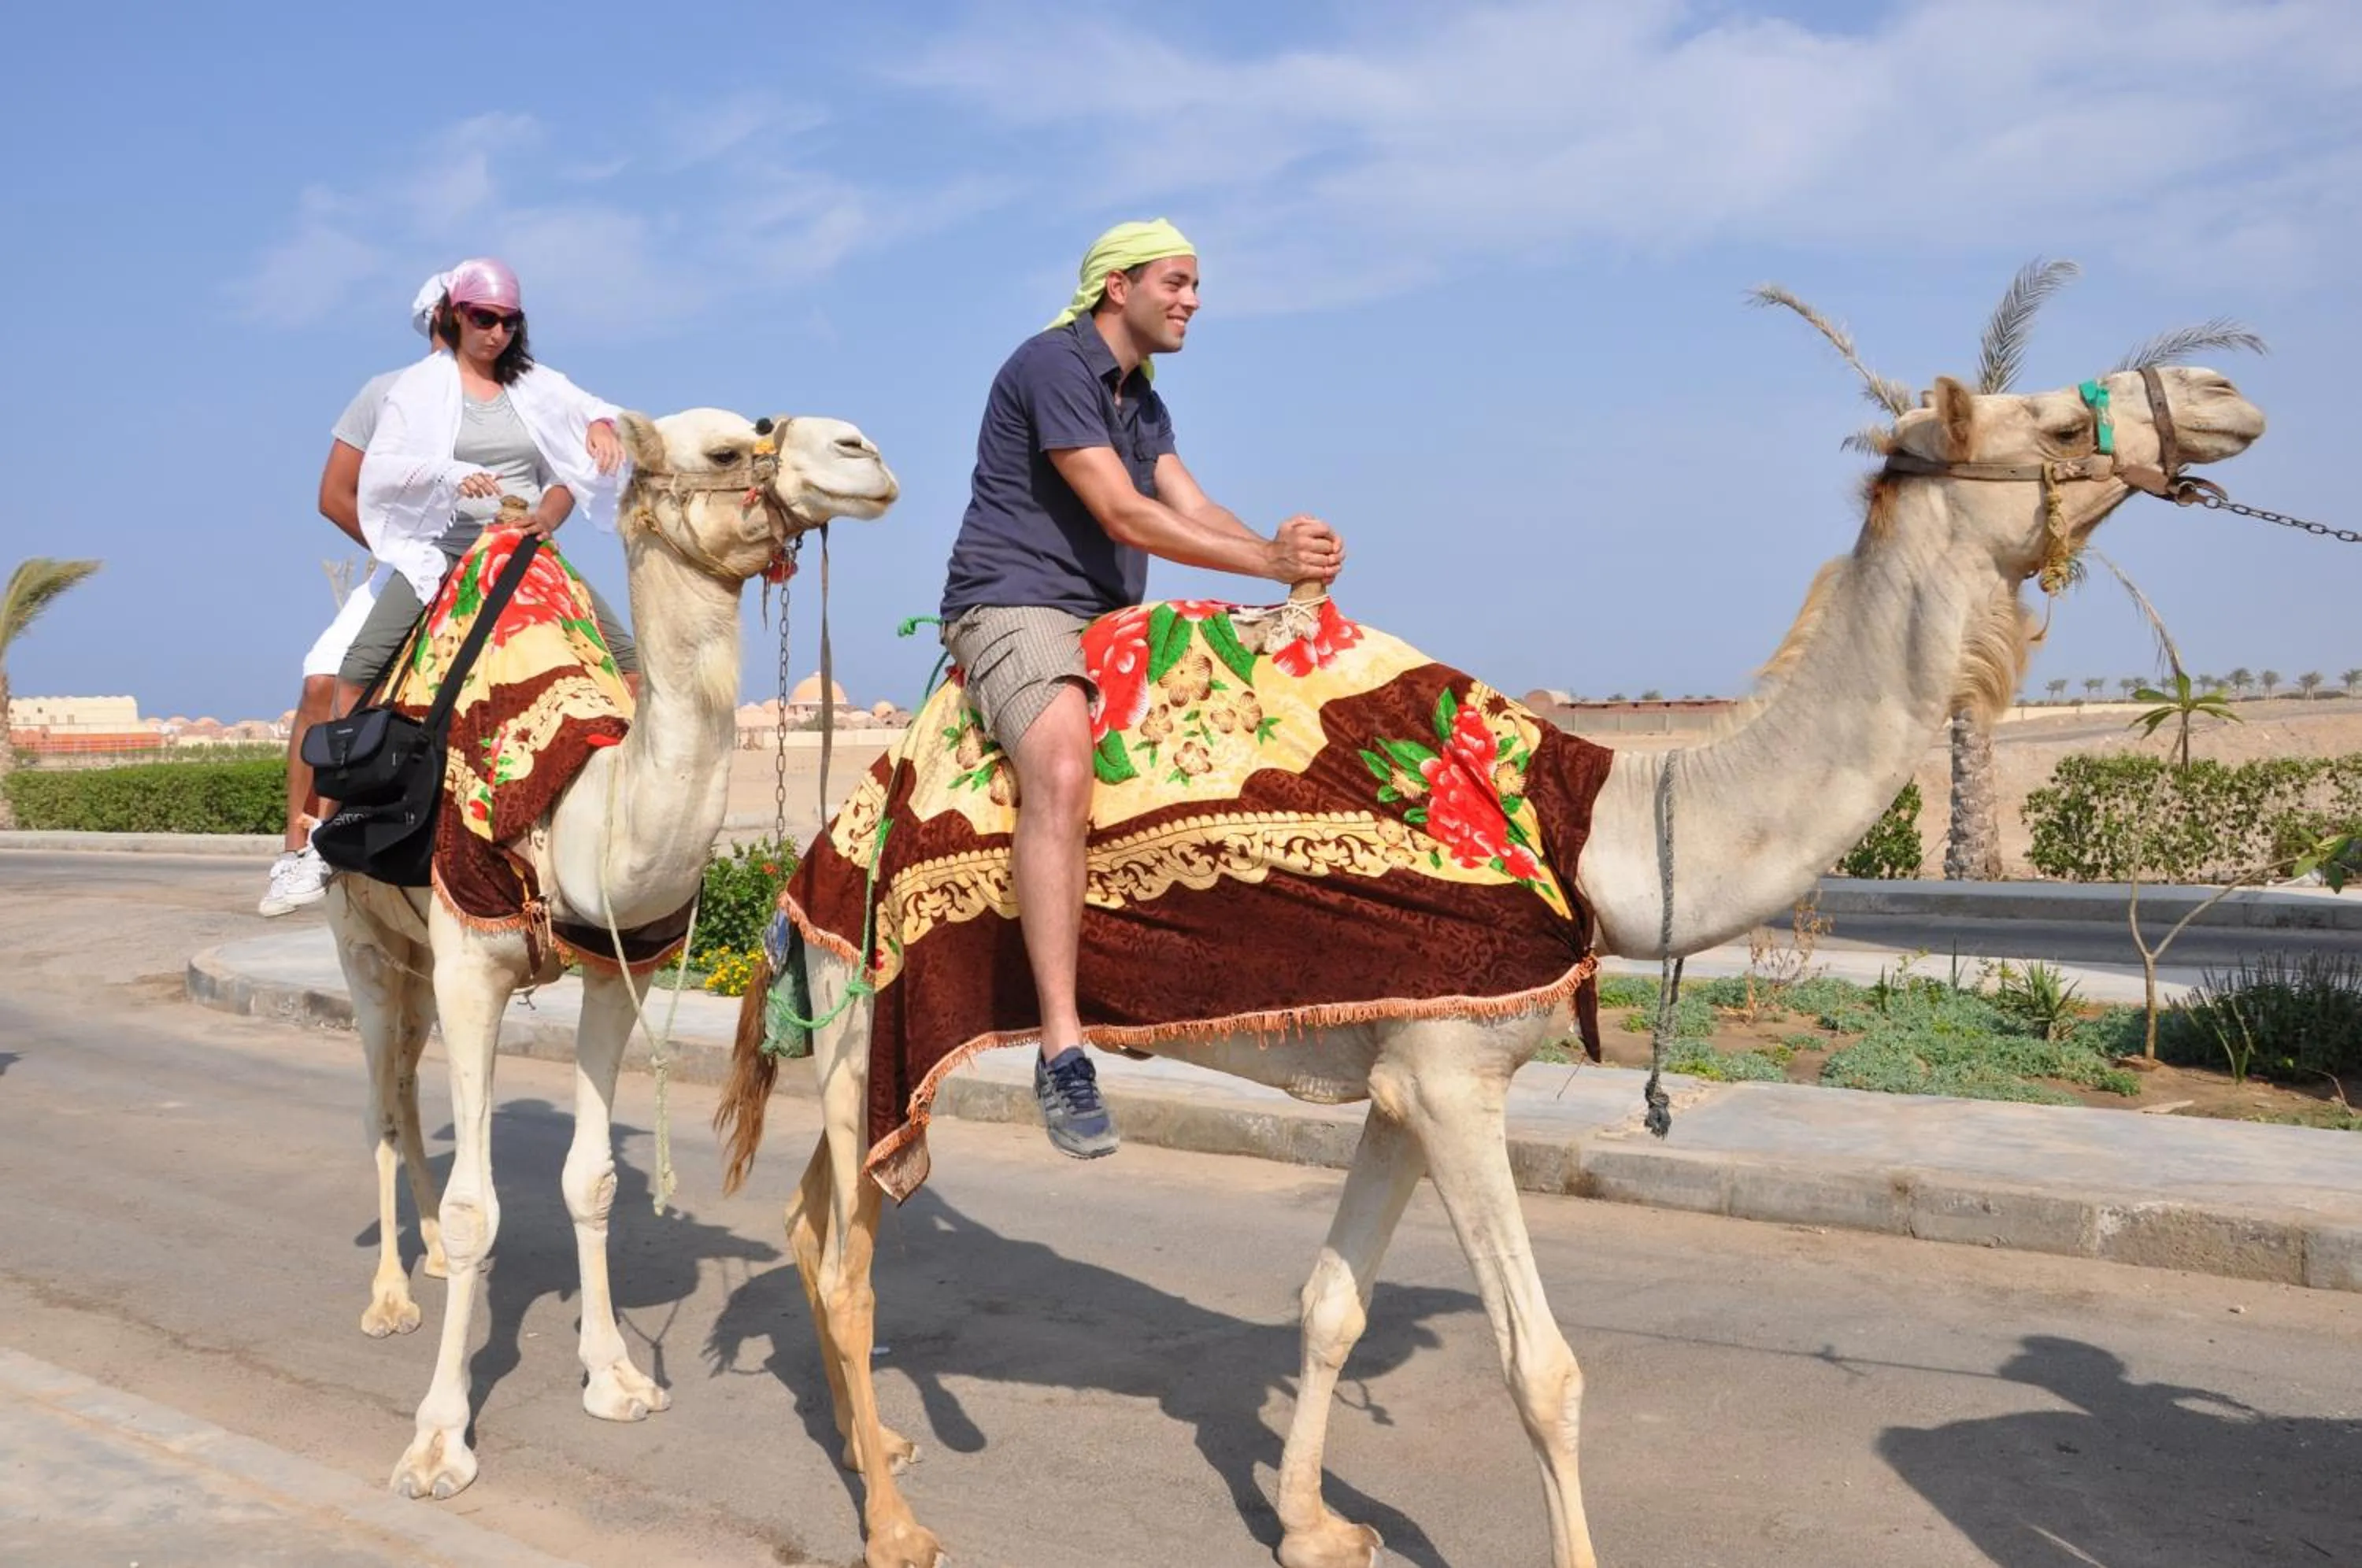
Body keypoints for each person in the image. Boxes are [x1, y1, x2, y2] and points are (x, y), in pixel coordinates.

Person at [937, 219, 1344, 1159]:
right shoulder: (1052, 366)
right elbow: (1123, 511)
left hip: (1107, 614)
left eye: (1196, 284)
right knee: (1068, 771)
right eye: (1178, 281)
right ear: (1117, 287)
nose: (1194, 299)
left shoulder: (1142, 401)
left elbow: (1189, 507)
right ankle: (1062, 1048)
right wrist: (1265, 558)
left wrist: (1290, 574)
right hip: (1017, 604)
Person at [336, 257, 637, 709]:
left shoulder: (534, 383)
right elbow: (387, 464)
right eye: (485, 318)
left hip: (523, 549)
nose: (497, 333)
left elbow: (577, 447)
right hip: (444, 551)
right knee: (358, 671)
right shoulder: (418, 387)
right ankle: (357, 776)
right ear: (457, 314)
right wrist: (449, 473)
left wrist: (596, 428)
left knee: (627, 662)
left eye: (509, 322)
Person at [259, 276, 451, 916]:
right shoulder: (385, 394)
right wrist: (402, 547)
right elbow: (335, 495)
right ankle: (301, 847)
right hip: (403, 569)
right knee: (321, 684)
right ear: (436, 323)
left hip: (493, 563)